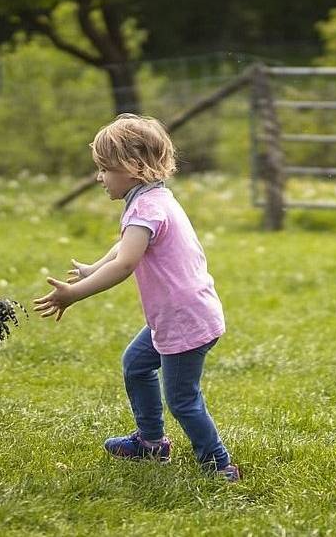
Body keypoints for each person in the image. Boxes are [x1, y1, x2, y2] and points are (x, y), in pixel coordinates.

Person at [33, 113, 240, 481]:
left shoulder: (146, 206)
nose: (99, 177)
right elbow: (126, 247)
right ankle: (150, 443)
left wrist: (74, 294)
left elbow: (127, 262)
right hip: (181, 312)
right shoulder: (153, 198)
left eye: (104, 168)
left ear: (131, 167)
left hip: (182, 319)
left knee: (182, 399)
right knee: (137, 363)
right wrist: (93, 268)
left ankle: (218, 464)